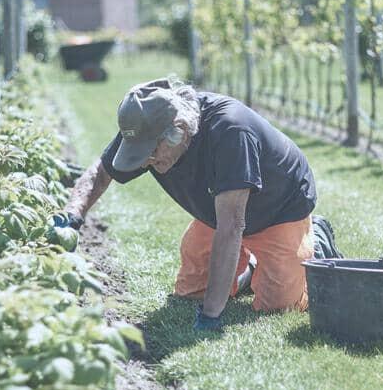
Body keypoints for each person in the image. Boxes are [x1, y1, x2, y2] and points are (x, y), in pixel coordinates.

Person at [58, 77, 341, 331]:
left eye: (151, 154)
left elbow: (232, 226)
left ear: (178, 130)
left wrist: (210, 315)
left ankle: (315, 239)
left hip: (277, 208)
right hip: (218, 209)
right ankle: (252, 267)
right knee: (192, 290)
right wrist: (71, 216)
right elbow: (101, 172)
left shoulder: (231, 132)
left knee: (280, 306)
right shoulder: (146, 127)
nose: (145, 163)